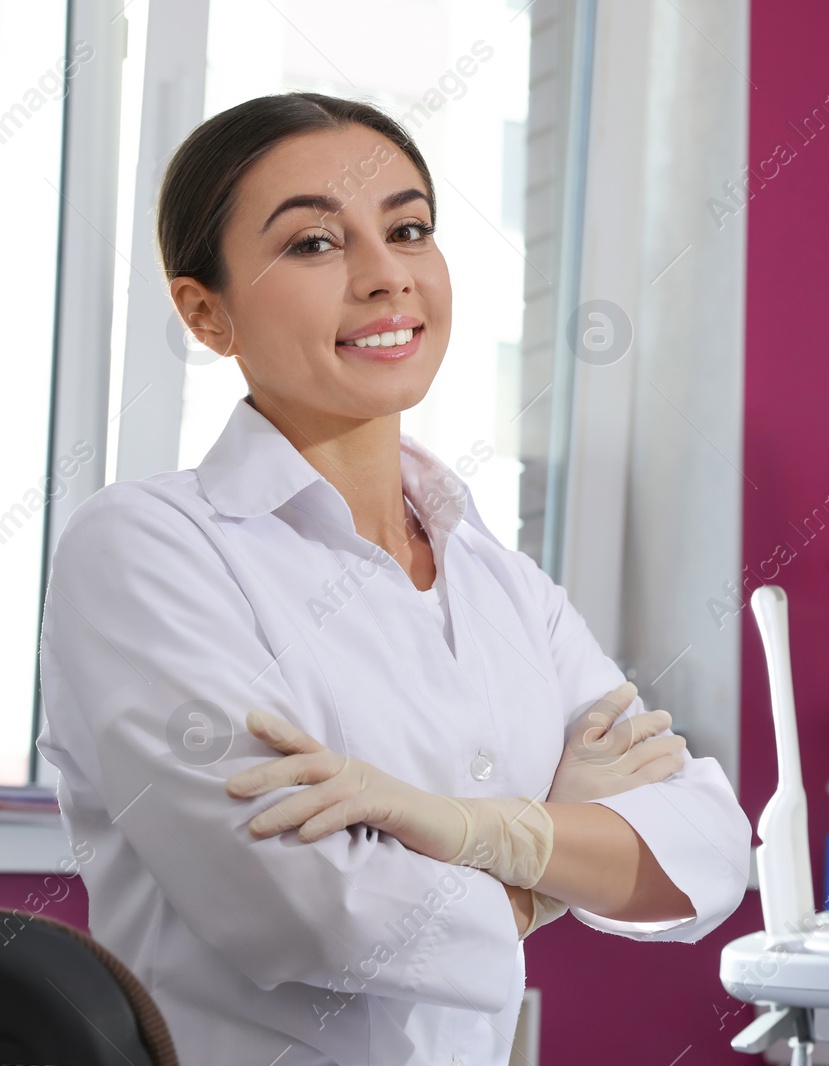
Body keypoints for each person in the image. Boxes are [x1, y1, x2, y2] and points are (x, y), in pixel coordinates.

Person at [35, 91, 751, 1066]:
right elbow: (307, 914)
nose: (384, 276)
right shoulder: (146, 549)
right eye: (314, 245)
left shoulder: (498, 581)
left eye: (408, 229)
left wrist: (463, 830)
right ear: (205, 312)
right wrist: (548, 863)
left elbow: (707, 849)